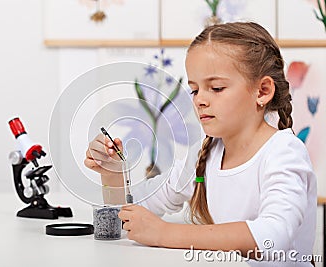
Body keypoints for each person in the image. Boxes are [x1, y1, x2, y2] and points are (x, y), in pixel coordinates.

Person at [84, 22, 317, 266]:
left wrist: (165, 233)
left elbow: (272, 237)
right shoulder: (206, 153)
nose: (200, 100)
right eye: (195, 90)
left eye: (216, 88)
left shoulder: (284, 152)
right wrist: (112, 175)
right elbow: (132, 214)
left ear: (262, 91)